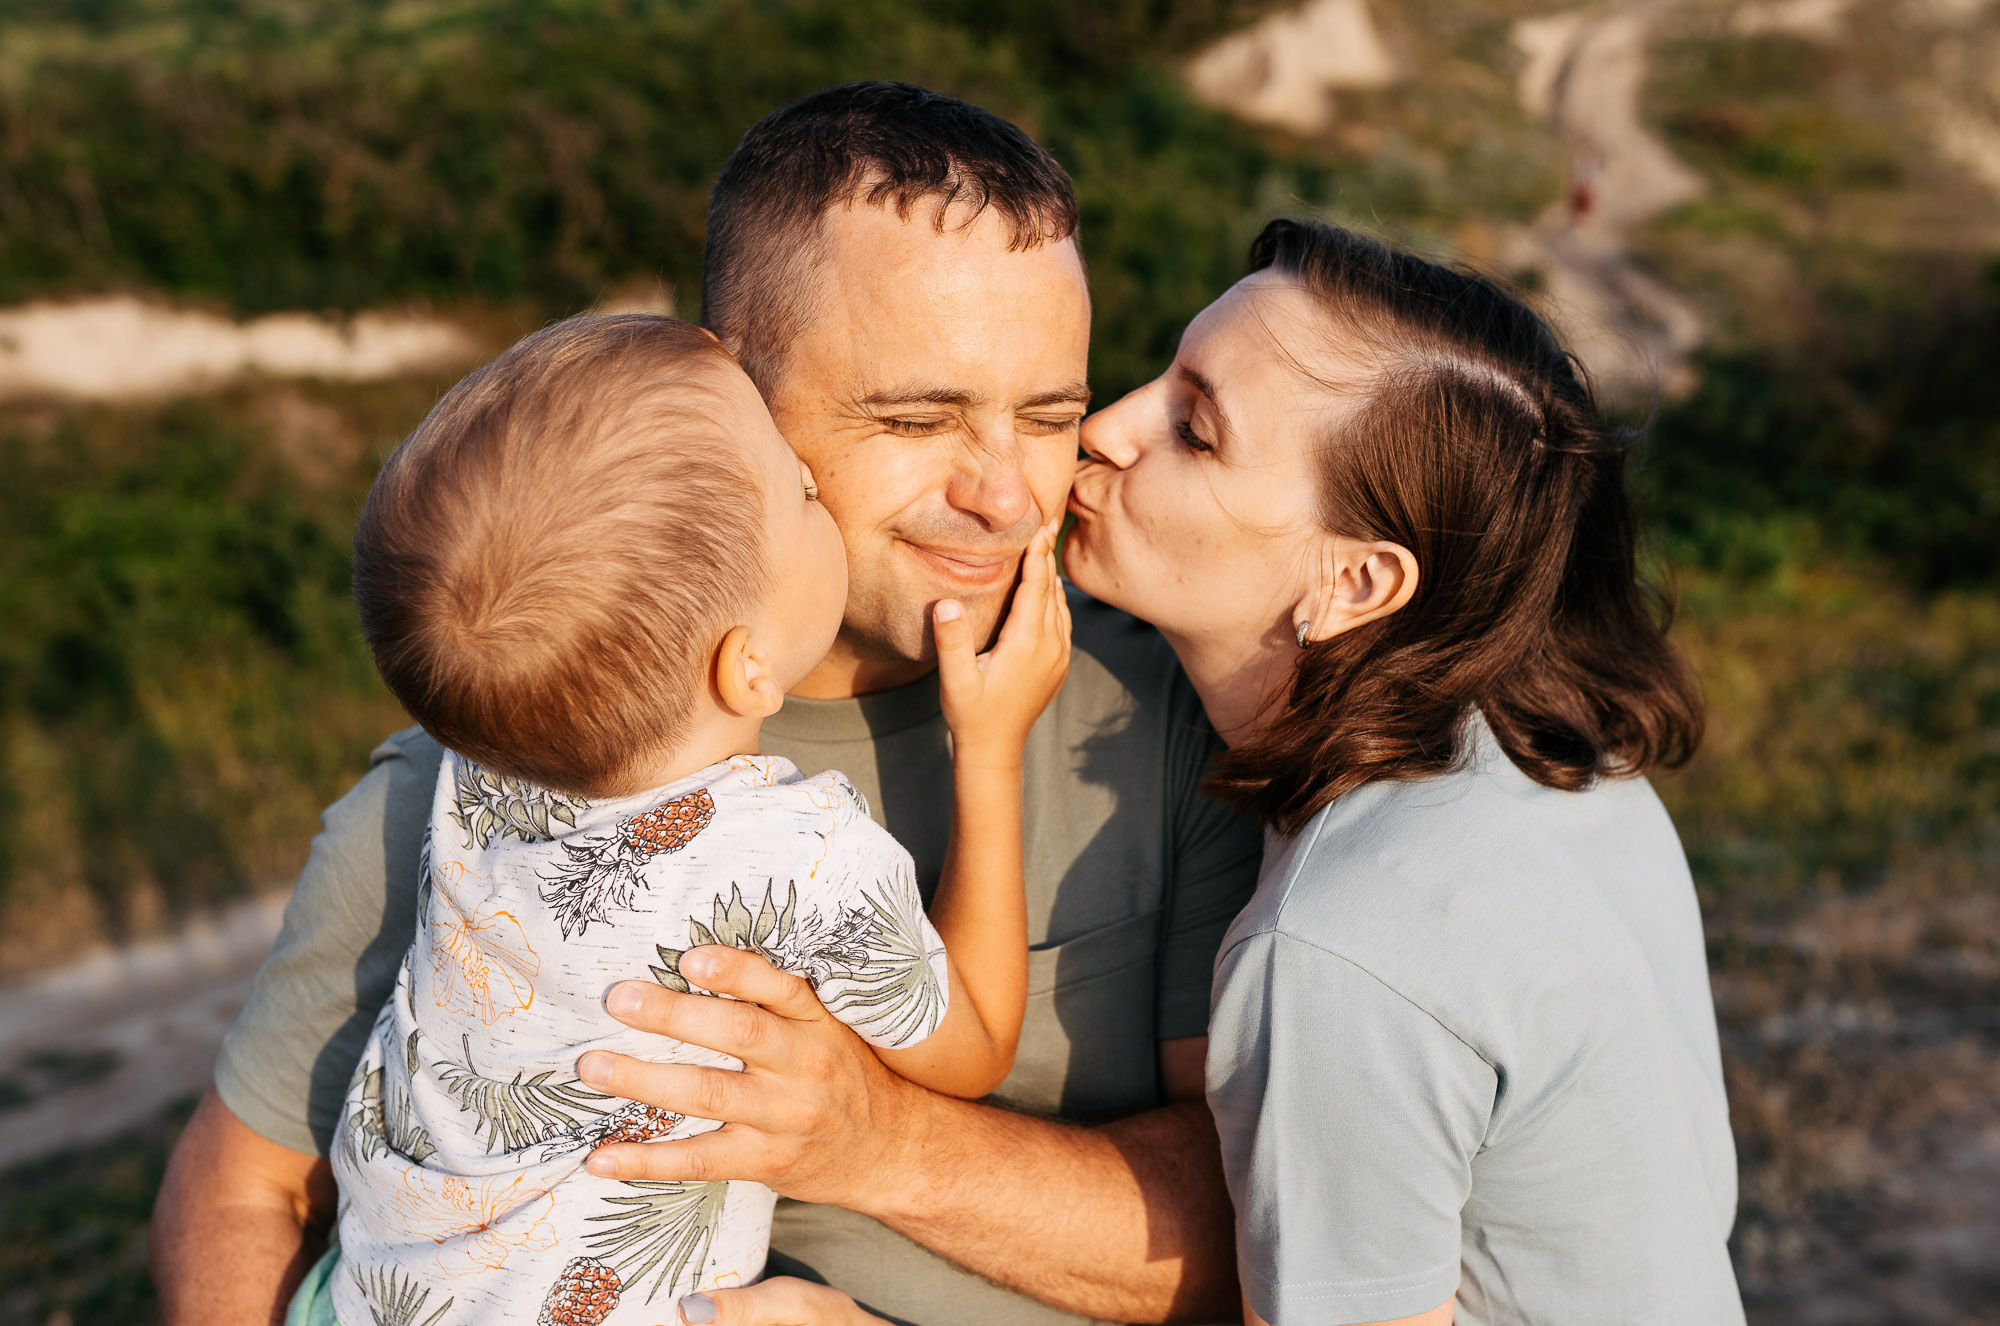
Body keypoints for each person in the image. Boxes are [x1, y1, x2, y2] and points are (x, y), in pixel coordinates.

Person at [150, 83, 1261, 1326]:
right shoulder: (496, 765)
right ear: (731, 392)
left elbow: (1266, 1233)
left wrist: (881, 1143)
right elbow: (243, 1182)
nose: (1006, 497)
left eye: (1049, 416)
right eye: (914, 417)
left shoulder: (1166, 718)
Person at [305, 312, 1068, 1323]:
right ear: (746, 666)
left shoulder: (475, 773)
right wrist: (990, 747)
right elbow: (970, 1050)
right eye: (799, 493)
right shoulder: (796, 856)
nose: (812, 490)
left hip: (364, 1294)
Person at [1058, 218, 1744, 1325]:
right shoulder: (1557, 756)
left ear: (1355, 583)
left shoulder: (1341, 944)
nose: (1104, 428)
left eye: (1193, 428)